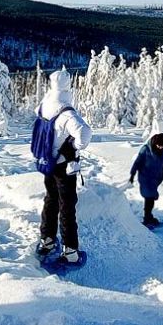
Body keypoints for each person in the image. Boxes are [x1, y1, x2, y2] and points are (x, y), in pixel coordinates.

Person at [37, 68, 92, 263]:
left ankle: (47, 240)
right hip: (63, 166)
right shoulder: (67, 112)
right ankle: (70, 251)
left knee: (50, 200)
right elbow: (85, 133)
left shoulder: (45, 103)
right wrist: (74, 146)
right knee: (67, 205)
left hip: (47, 162)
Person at [129, 133, 163, 227]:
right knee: (149, 196)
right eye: (159, 145)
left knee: (151, 197)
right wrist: (132, 174)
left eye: (162, 146)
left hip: (156, 178)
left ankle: (149, 216)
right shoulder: (146, 149)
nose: (160, 147)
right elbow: (137, 162)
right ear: (155, 143)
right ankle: (147, 218)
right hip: (145, 176)